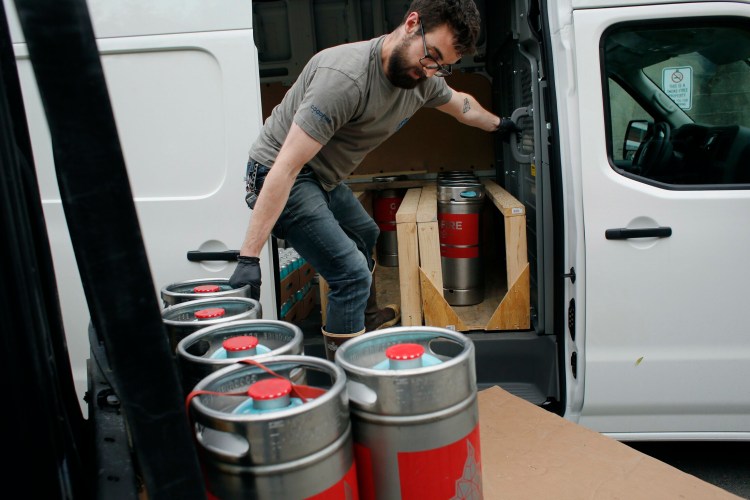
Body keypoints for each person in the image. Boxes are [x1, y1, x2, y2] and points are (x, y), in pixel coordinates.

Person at [229, 0, 519, 359]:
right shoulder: (345, 78)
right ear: (412, 23)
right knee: (350, 275)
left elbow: (461, 104)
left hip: (322, 176)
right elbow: (285, 167)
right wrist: (249, 258)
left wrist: (501, 125)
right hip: (278, 173)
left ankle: (362, 315)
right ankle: (349, 381)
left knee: (366, 233)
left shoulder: (424, 80)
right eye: (430, 57)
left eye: (442, 66)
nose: (431, 71)